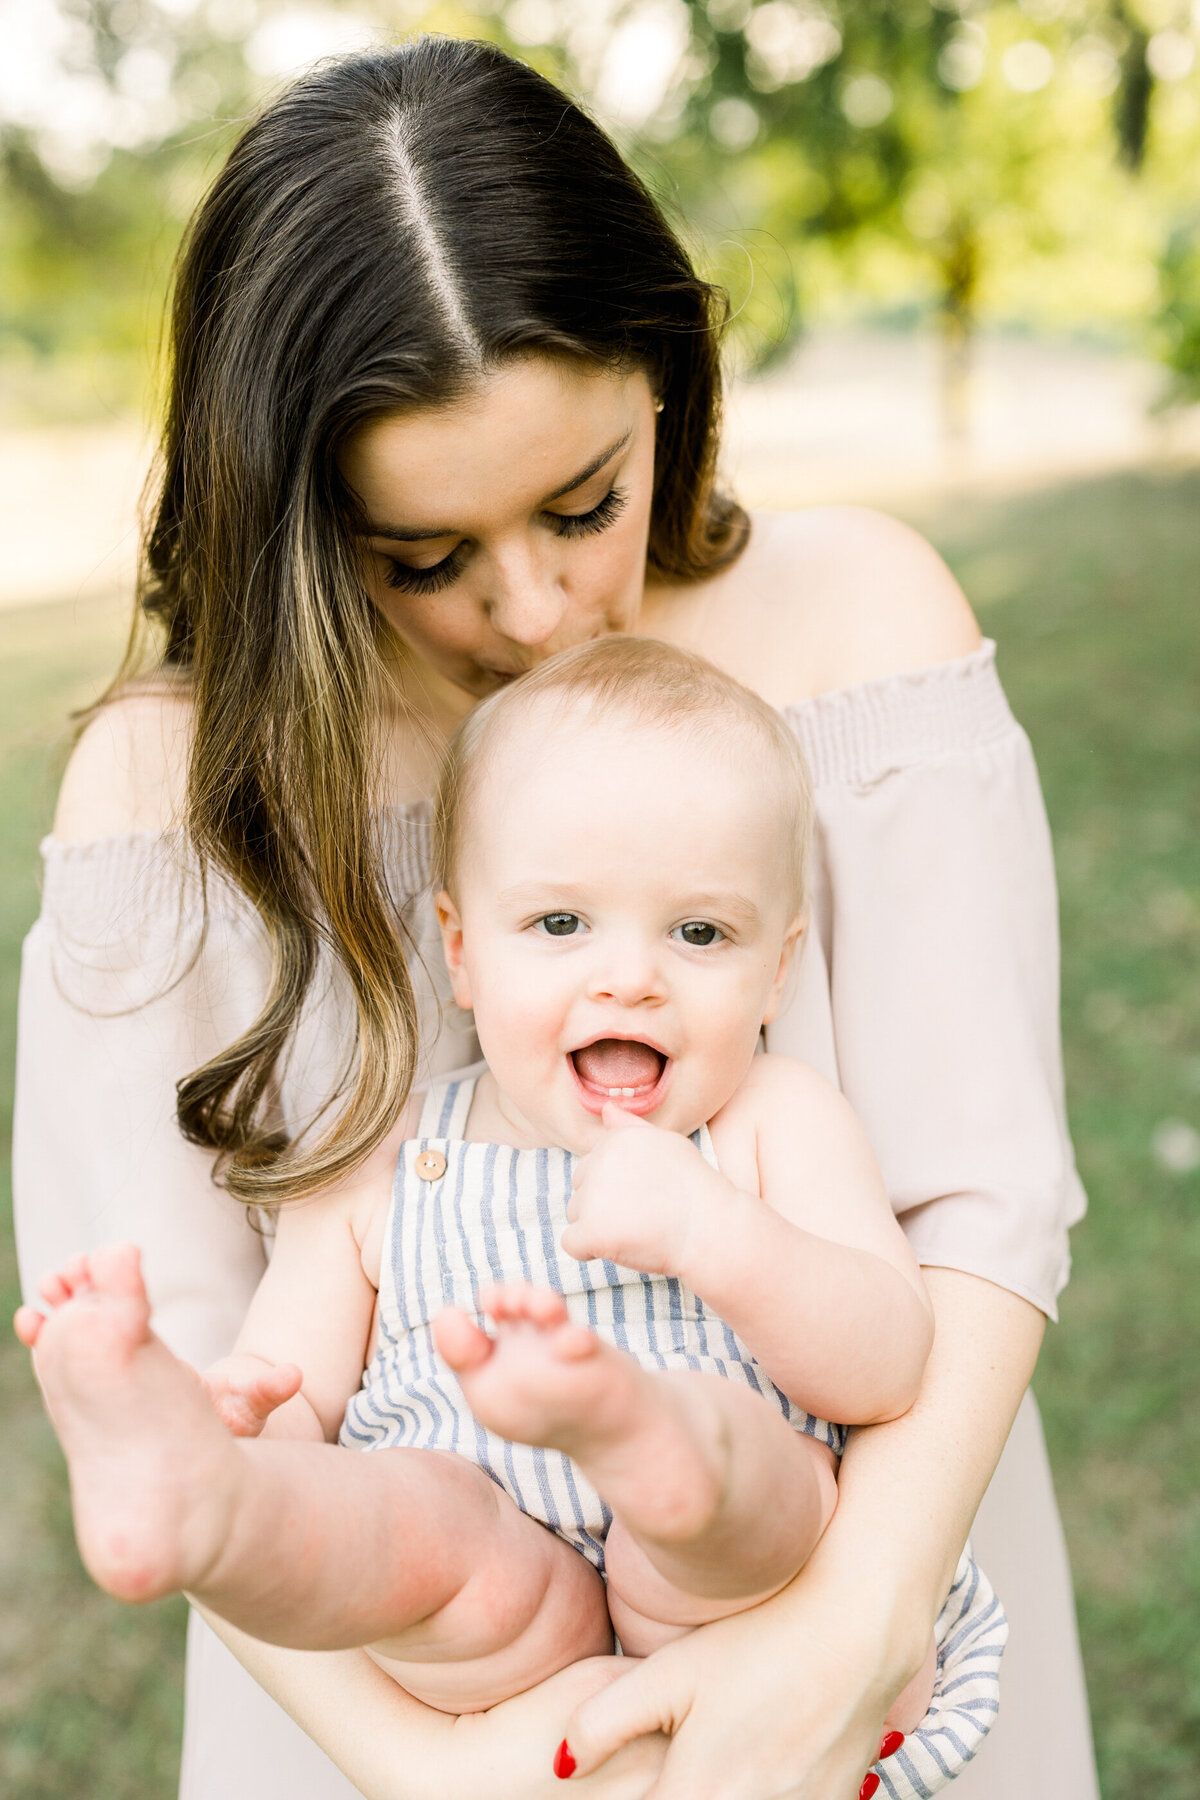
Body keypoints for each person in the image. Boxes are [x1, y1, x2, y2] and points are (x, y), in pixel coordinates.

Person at [13, 34, 1098, 1800]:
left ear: (668, 371)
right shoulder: (169, 792)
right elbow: (212, 1379)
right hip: (404, 1693)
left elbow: (985, 1203)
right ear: (297, 524)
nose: (535, 608)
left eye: (585, 500)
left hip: (862, 1574)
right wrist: (446, 1772)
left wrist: (856, 1628)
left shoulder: (854, 622)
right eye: (423, 558)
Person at [20, 641, 1009, 1797]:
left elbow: (887, 1362)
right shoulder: (384, 1156)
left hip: (727, 1608)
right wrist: (243, 1417)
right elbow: (298, 1388)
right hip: (508, 1619)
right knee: (411, 1525)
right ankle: (210, 1504)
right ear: (459, 951)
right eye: (559, 925)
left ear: (777, 971)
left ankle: (640, 1433)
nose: (629, 978)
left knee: (753, 1465)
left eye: (699, 934)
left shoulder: (768, 1121)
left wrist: (716, 1236)